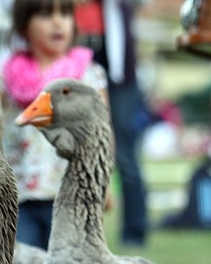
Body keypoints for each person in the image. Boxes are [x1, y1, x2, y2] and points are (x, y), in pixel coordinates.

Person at [0, 0, 109, 250]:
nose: (58, 21)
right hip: (19, 195)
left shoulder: (87, 73)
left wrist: (102, 183)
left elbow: (102, 132)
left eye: (65, 13)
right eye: (45, 14)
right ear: (23, 26)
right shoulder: (7, 72)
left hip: (71, 196)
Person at [75, 0, 149, 246]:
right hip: (71, 48)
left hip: (114, 57)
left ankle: (134, 232)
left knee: (125, 150)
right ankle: (77, 229)